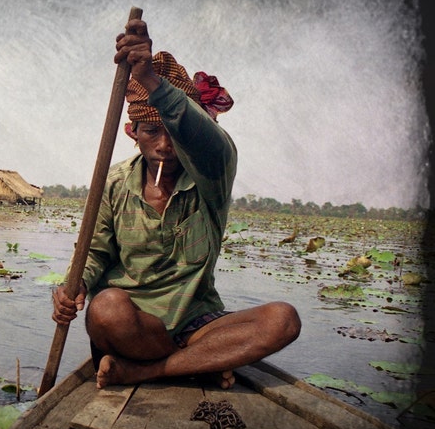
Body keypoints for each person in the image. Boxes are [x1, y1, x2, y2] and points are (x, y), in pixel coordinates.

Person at [52, 19, 301, 390]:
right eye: (152, 131)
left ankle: (150, 371)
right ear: (132, 132)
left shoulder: (212, 174)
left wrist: (150, 78)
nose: (165, 146)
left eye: (175, 135)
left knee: (283, 320)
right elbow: (94, 252)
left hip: (198, 325)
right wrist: (73, 286)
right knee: (106, 310)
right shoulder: (115, 183)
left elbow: (207, 139)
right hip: (135, 326)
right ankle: (199, 364)